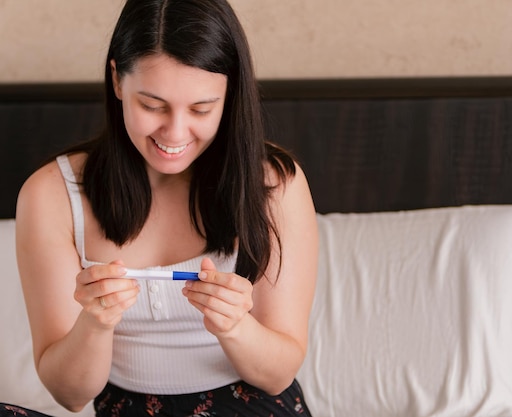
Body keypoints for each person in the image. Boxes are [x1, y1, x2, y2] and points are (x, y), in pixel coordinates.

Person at [2, 0, 318, 416]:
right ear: (117, 80)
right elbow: (71, 396)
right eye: (152, 105)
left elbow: (277, 375)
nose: (175, 132)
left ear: (229, 94)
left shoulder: (274, 183)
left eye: (202, 109)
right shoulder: (51, 195)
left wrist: (235, 325)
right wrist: (94, 324)